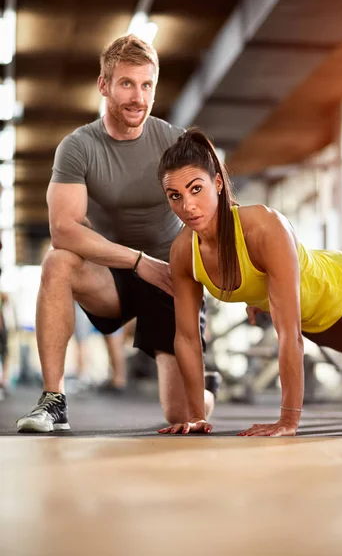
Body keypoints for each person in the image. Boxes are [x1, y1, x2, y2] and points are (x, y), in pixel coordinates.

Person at [16, 35, 219, 433]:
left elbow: (215, 214)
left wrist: (242, 284)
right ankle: (53, 399)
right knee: (57, 262)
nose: (138, 97)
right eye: (127, 83)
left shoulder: (174, 143)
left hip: (170, 276)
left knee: (183, 415)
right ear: (104, 85)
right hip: (114, 274)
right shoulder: (78, 148)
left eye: (147, 86)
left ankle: (205, 385)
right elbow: (63, 230)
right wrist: (138, 262)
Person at [156, 128, 342, 436]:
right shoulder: (183, 251)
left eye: (195, 189)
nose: (187, 206)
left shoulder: (263, 227)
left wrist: (288, 420)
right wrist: (195, 415)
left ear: (217, 184)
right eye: (174, 196)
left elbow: (288, 335)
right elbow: (188, 338)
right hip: (317, 322)